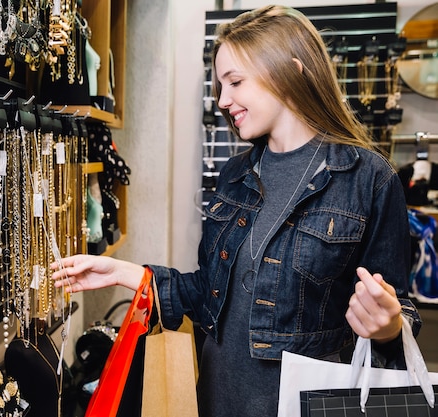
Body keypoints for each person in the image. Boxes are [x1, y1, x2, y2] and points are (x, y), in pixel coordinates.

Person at [51, 5, 422, 416]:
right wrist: (127, 273)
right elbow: (211, 293)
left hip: (307, 406)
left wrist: (389, 326)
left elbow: (398, 308)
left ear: (291, 70)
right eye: (220, 85)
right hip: (218, 399)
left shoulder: (368, 178)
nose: (224, 100)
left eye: (235, 82)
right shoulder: (235, 174)